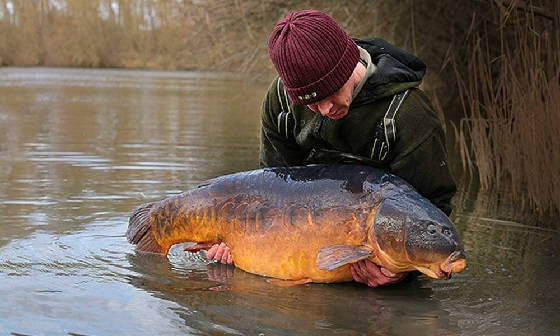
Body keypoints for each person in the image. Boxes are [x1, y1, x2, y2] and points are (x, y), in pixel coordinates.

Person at [206, 9, 456, 287]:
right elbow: (271, 189)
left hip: (381, 259)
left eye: (331, 91)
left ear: (348, 64)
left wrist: (401, 272)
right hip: (308, 251)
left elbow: (433, 210)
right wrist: (240, 242)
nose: (324, 109)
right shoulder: (280, 103)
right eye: (310, 103)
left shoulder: (408, 114)